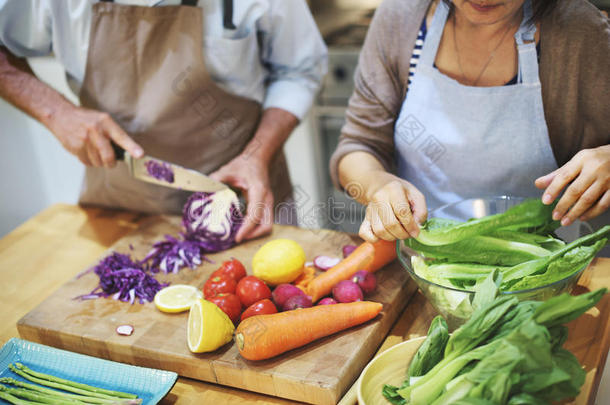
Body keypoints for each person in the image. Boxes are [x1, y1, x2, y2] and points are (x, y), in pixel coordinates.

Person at [0, 0, 327, 242]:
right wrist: (57, 112)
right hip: (122, 206)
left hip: (244, 202)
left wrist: (257, 154)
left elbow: (299, 69)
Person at [331, 0, 610, 242]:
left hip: (542, 268)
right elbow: (358, 146)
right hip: (423, 264)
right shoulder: (401, 17)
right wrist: (377, 185)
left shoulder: (580, 31)